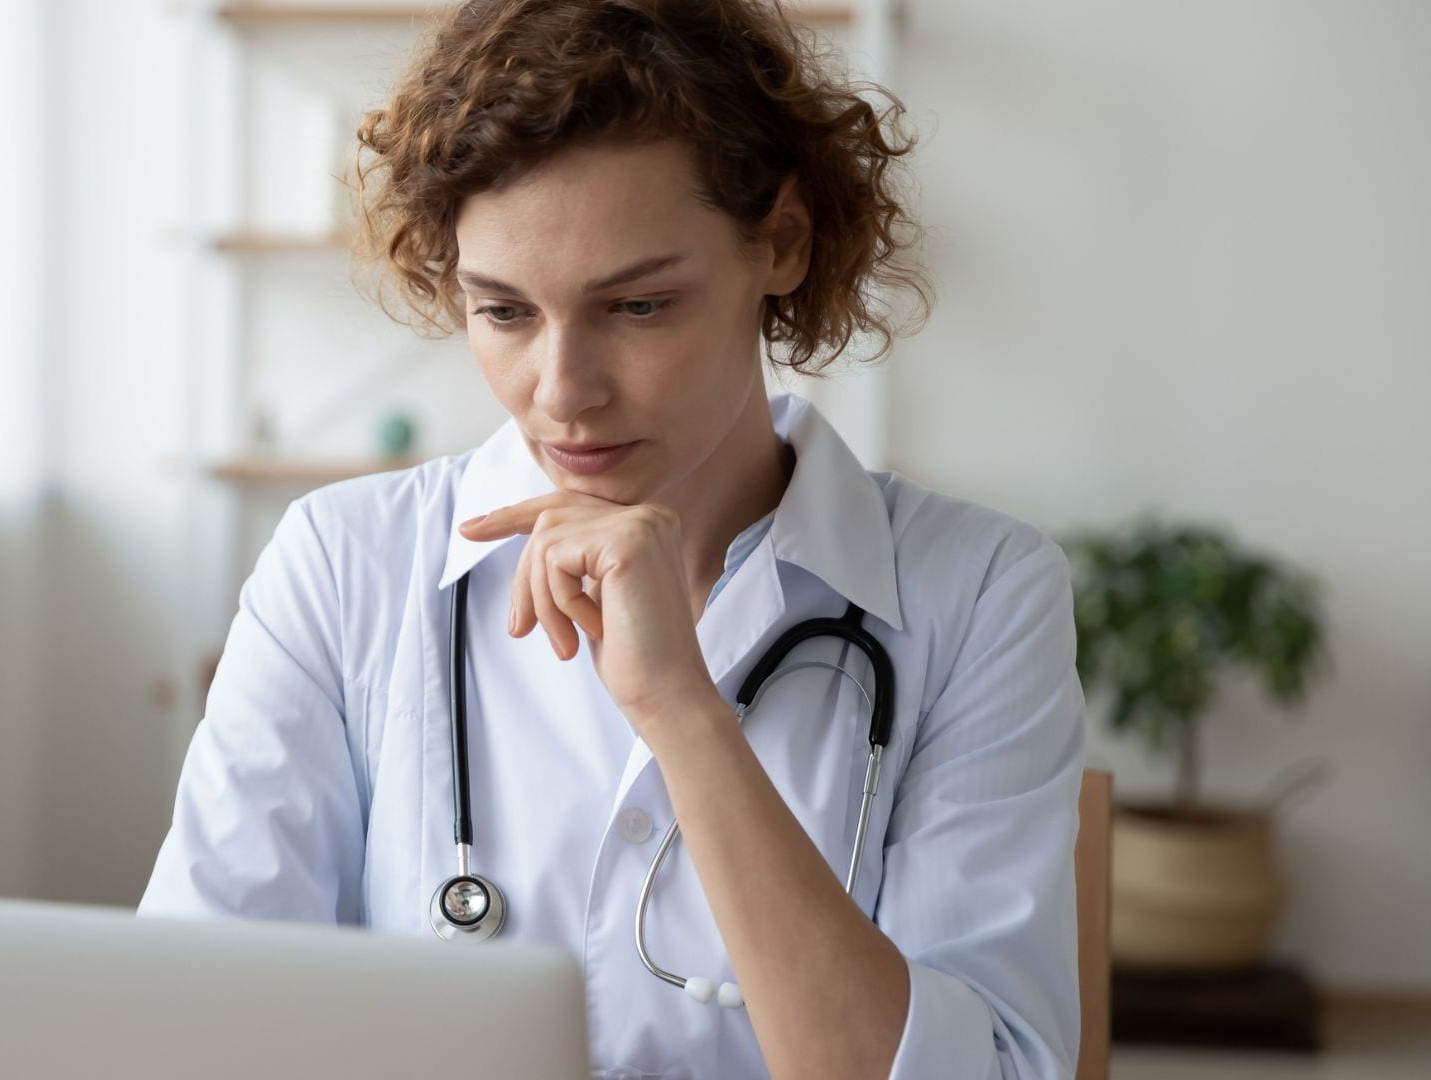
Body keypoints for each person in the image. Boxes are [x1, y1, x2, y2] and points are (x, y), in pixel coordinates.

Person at [141, 2, 1084, 1077]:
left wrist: (684, 715)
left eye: (636, 307)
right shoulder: (343, 567)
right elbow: (195, 1024)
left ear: (779, 242)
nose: (563, 393)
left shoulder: (981, 594)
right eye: (503, 312)